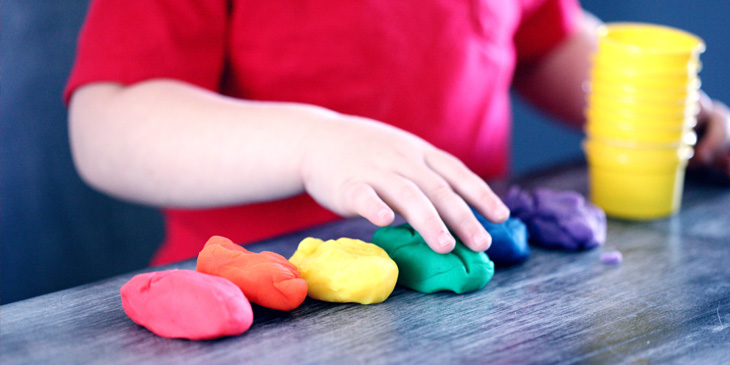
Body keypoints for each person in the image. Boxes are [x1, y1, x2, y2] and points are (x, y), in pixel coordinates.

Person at [65, 0, 730, 266]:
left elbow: (544, 41)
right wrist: (312, 144)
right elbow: (109, 122)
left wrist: (673, 110)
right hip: (258, 299)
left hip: (477, 284)